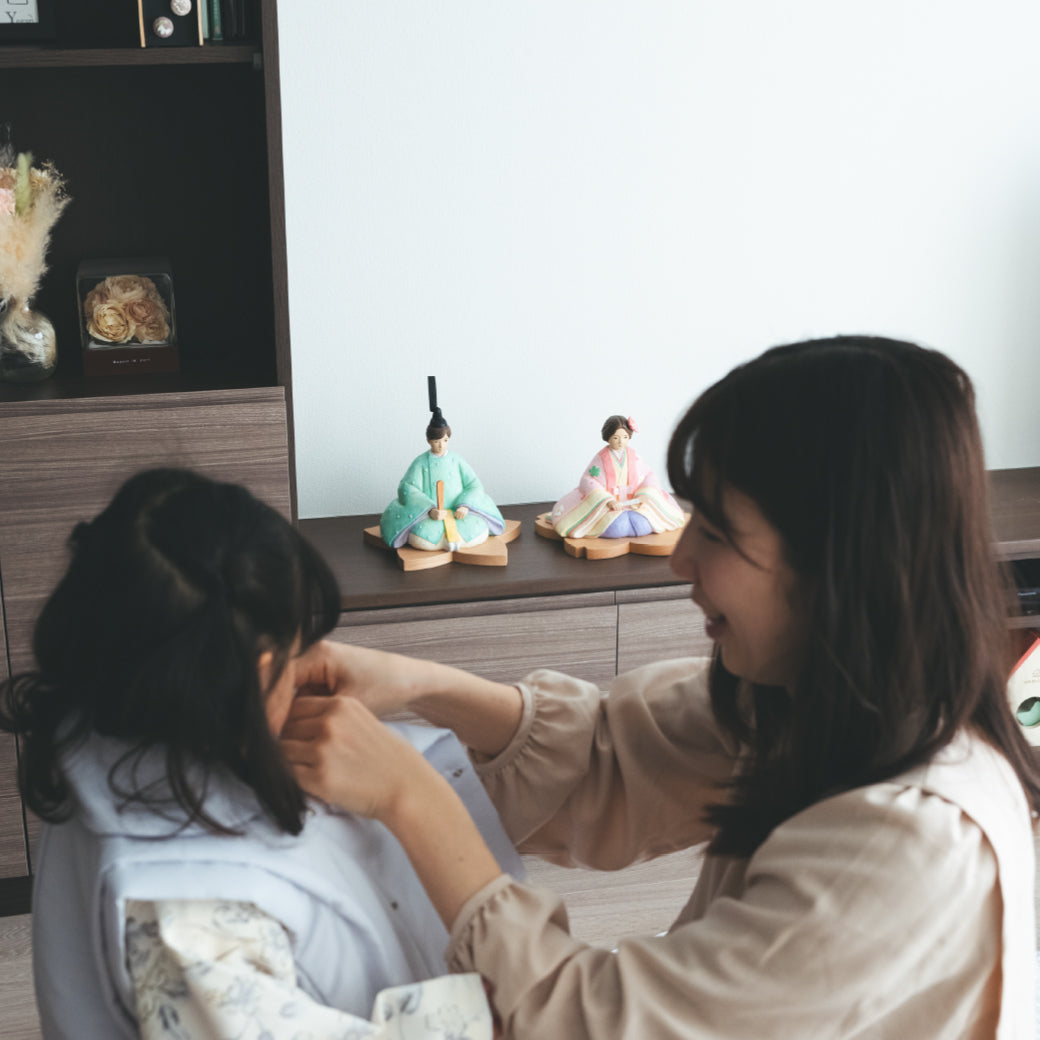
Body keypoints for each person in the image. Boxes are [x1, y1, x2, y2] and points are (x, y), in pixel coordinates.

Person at [283, 336, 1039, 1039]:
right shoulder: (814, 701)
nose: (679, 561)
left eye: (716, 532)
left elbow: (599, 1021)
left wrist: (411, 796)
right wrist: (415, 683)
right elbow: (610, 753)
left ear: (835, 560)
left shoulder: (906, 842)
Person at [0, 467, 520, 1040]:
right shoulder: (187, 918)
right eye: (300, 645)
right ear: (260, 673)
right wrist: (488, 1018)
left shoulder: (111, 717)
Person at [380, 377, 505, 551]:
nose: (441, 445)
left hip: (459, 513)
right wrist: (429, 510)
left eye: (445, 440)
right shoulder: (421, 462)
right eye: (436, 441)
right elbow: (407, 488)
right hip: (430, 516)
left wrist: (464, 505)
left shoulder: (457, 460)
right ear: (428, 440)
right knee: (422, 534)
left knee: (476, 529)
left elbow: (474, 485)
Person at [550, 414, 685, 539]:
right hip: (608, 506)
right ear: (608, 437)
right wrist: (608, 500)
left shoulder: (634, 456)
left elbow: (648, 475)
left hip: (633, 503)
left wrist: (644, 495)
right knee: (618, 527)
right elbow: (589, 480)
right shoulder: (601, 458)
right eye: (616, 437)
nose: (621, 441)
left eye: (625, 437)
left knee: (641, 525)